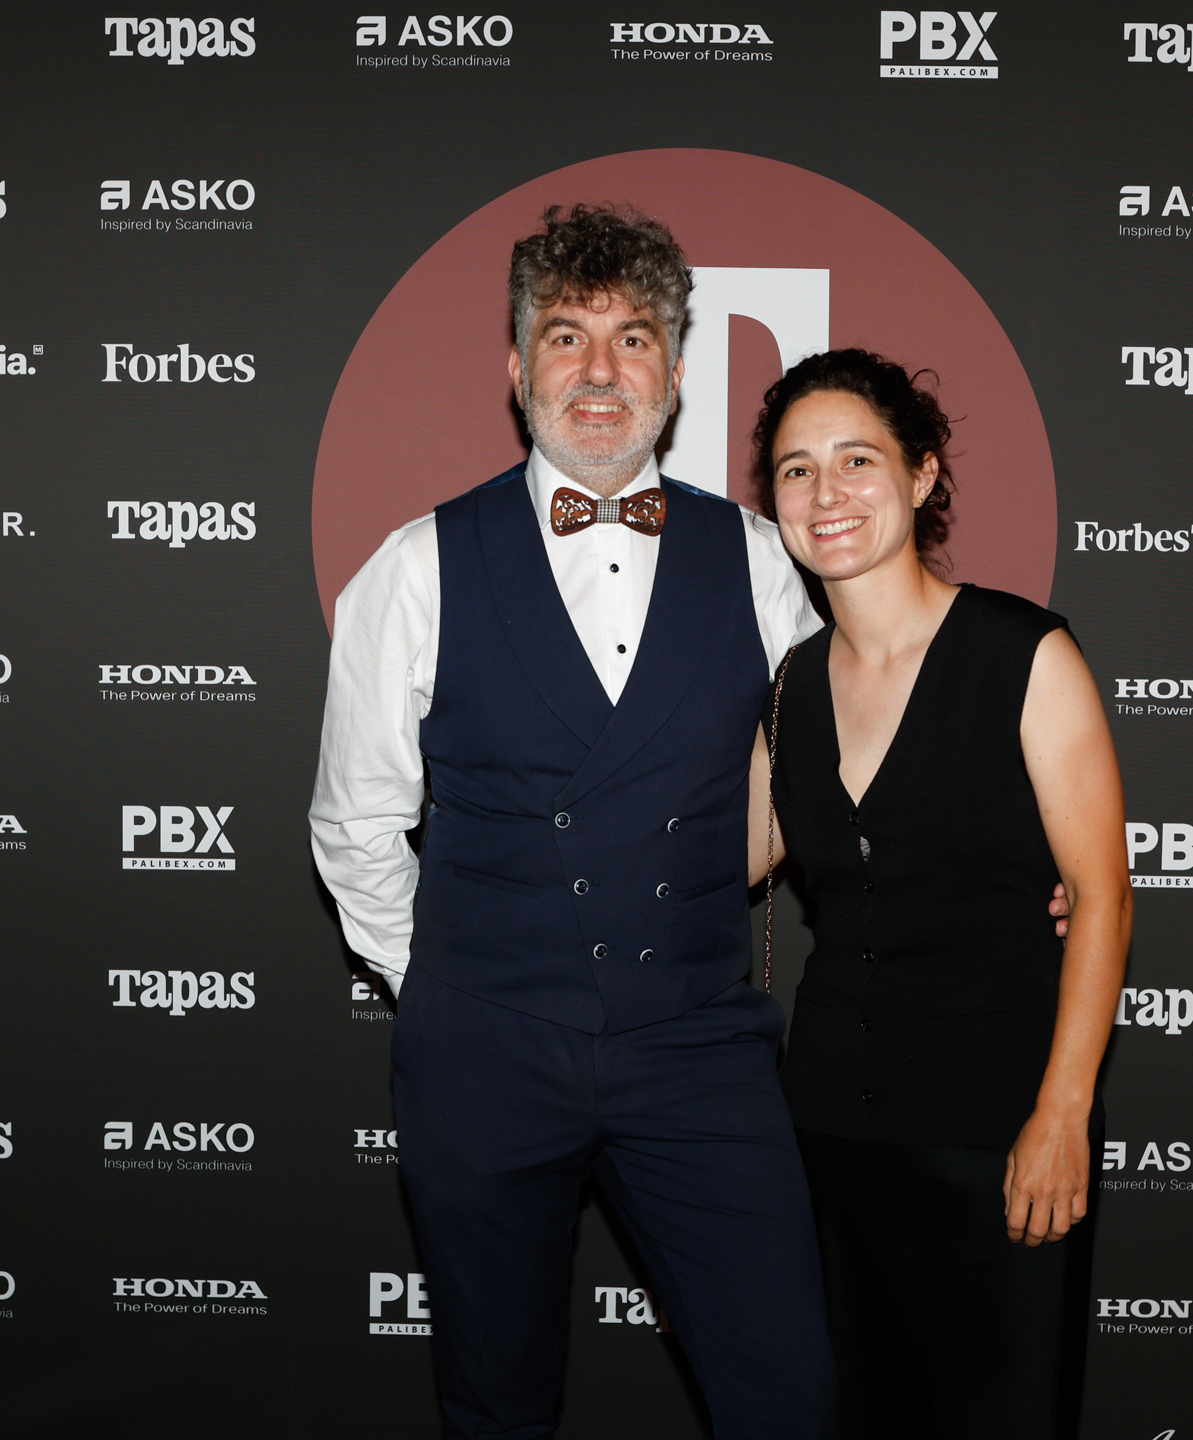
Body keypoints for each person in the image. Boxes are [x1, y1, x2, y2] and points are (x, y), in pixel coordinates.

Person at [309, 204, 840, 1439]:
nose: (600, 371)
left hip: (696, 1047)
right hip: (484, 1059)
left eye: (632, 339)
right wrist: (453, 990)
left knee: (789, 1393)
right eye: (566, 337)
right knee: (496, 1402)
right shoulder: (417, 564)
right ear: (516, 367)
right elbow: (355, 822)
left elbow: (844, 764)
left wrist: (984, 862)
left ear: (676, 372)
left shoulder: (762, 558)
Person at [747, 349, 1132, 1439]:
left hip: (996, 1134)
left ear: (921, 475)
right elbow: (713, 862)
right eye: (796, 470)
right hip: (827, 1136)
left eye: (857, 460)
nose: (826, 493)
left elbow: (1102, 898)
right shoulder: (790, 686)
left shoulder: (1023, 655)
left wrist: (1062, 1113)